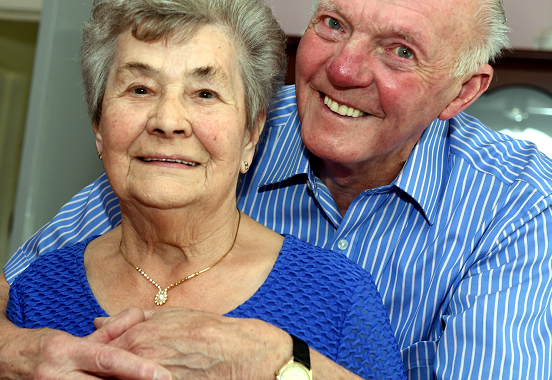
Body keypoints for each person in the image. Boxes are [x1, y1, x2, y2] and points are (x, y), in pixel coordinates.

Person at [2, 0, 552, 378]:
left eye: (400, 51)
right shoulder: (206, 138)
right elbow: (29, 286)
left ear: (462, 92)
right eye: (333, 23)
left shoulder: (518, 203)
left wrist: (279, 362)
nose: (343, 69)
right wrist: (21, 350)